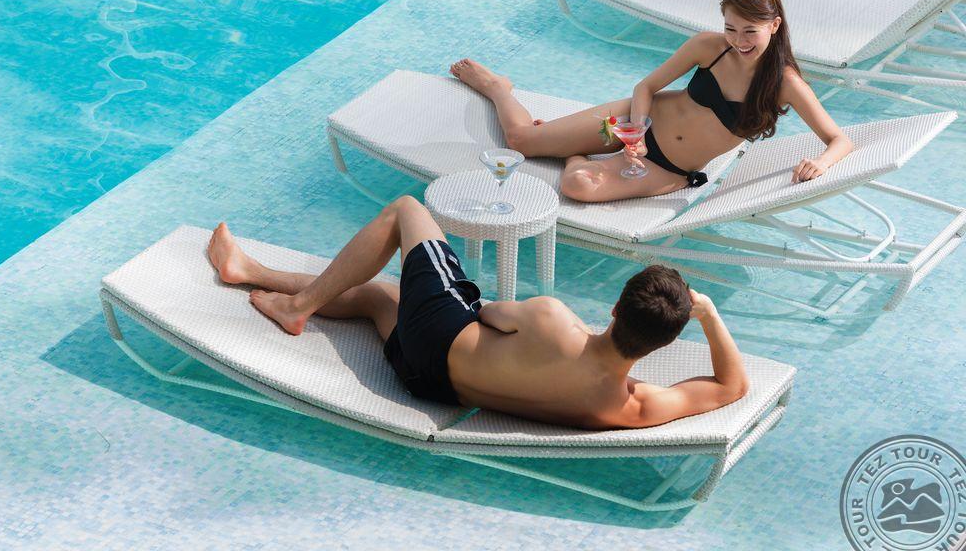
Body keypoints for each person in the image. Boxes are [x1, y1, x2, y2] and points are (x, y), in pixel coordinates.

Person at [207, 196, 748, 429]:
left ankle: (298, 307)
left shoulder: (554, 322)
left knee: (406, 211)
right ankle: (247, 270)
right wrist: (707, 314)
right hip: (428, 384)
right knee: (378, 297)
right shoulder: (633, 406)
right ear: (664, 342)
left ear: (614, 308)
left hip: (441, 337)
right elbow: (731, 386)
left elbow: (486, 314)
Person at [450, 0, 853, 202]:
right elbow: (647, 86)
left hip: (667, 168)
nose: (738, 40)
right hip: (633, 122)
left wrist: (821, 163)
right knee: (521, 140)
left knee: (578, 185)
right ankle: (499, 89)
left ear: (775, 26)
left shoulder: (784, 83)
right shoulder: (709, 46)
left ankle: (575, 154)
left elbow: (839, 140)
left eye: (751, 31)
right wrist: (635, 133)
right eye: (731, 28)